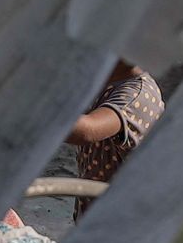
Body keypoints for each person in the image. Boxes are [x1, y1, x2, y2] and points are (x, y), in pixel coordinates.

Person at [67, 61, 164, 218]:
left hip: (125, 217)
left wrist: (36, 111)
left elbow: (87, 130)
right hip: (94, 209)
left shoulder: (137, 94)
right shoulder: (104, 80)